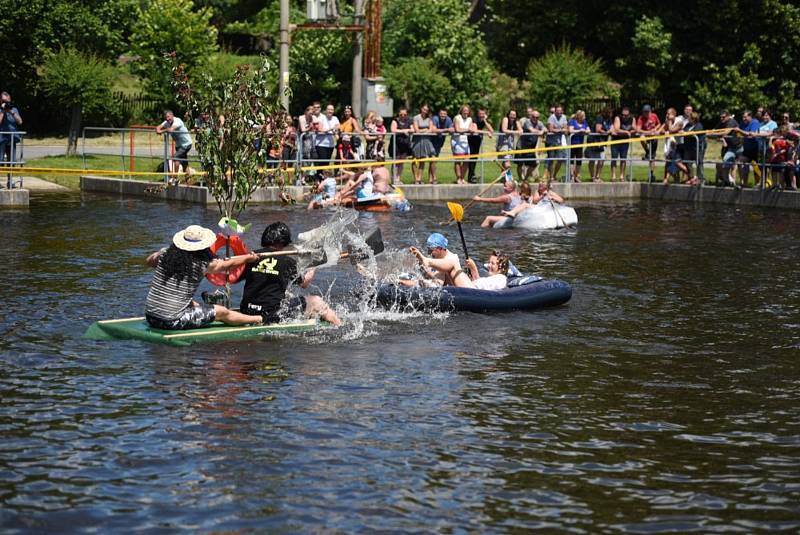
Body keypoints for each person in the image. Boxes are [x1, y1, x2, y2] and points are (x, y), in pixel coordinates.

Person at [145, 225, 263, 330]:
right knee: (222, 311)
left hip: (150, 316)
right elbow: (228, 264)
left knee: (195, 304)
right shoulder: (202, 264)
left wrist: (161, 254)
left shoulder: (166, 255)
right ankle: (259, 319)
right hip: (171, 322)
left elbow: (149, 261)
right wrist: (249, 258)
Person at [240, 222, 341, 326]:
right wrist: (314, 265)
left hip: (246, 311)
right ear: (284, 242)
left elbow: (236, 278)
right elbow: (304, 283)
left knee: (287, 295)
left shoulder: (250, 257)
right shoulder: (287, 261)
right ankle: (340, 325)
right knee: (316, 301)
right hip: (269, 314)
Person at [409, 247, 510, 291]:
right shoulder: (494, 278)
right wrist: (473, 270)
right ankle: (424, 276)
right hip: (472, 289)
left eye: (492, 263)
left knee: (453, 263)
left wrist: (473, 268)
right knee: (445, 272)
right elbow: (482, 286)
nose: (488, 265)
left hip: (472, 292)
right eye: (489, 262)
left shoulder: (501, 278)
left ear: (501, 266)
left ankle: (427, 261)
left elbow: (486, 293)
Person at [155, 109, 193, 174]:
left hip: (186, 144)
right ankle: (188, 179)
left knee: (175, 158)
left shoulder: (178, 121)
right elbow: (158, 127)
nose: (167, 119)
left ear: (172, 116)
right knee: (184, 163)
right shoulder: (166, 122)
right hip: (179, 145)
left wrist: (161, 131)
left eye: (168, 117)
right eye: (166, 117)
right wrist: (158, 129)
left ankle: (175, 178)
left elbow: (171, 130)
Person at [635, 105, 661, 183]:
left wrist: (655, 129)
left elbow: (659, 124)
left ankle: (651, 174)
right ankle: (647, 150)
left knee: (652, 157)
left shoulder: (654, 116)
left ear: (650, 111)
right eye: (644, 112)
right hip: (646, 135)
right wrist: (648, 132)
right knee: (641, 138)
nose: (646, 113)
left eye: (647, 112)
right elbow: (638, 129)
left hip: (653, 136)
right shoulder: (640, 118)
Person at [467, 108, 493, 183]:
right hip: (471, 140)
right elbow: (474, 130)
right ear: (478, 114)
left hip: (478, 141)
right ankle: (471, 176)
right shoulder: (474, 119)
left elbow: (491, 130)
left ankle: (472, 176)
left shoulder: (484, 120)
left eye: (483, 114)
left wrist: (485, 120)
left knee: (475, 158)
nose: (481, 115)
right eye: (480, 114)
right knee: (471, 158)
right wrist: (486, 132)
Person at [411, 104, 436, 184]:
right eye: (424, 109)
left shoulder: (429, 119)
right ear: (421, 109)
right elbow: (416, 130)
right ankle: (415, 178)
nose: (425, 111)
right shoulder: (416, 117)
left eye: (427, 110)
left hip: (426, 140)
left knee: (423, 160)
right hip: (417, 140)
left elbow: (431, 130)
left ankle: (419, 178)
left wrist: (423, 130)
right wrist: (425, 129)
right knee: (415, 159)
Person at [586, 107, 612, 182]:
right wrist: (607, 132)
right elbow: (598, 129)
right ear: (607, 112)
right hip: (594, 141)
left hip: (603, 142)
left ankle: (598, 176)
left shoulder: (609, 120)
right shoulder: (599, 118)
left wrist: (610, 130)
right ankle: (592, 177)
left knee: (602, 159)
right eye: (610, 113)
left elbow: (612, 128)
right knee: (593, 159)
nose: (611, 114)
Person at [519, 107, 545, 180]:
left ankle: (525, 178)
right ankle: (521, 179)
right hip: (523, 146)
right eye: (533, 117)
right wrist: (539, 132)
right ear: (531, 116)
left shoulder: (539, 122)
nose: (535, 118)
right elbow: (532, 130)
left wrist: (542, 131)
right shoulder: (527, 122)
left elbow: (544, 128)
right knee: (520, 164)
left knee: (533, 164)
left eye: (537, 117)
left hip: (532, 147)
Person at [682, 111, 706, 186]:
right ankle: (691, 178)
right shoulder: (688, 125)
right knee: (687, 162)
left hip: (697, 148)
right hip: (688, 147)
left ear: (693, 119)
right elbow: (684, 131)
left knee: (699, 163)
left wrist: (686, 134)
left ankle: (701, 179)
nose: (688, 119)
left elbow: (695, 133)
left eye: (689, 117)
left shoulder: (699, 125)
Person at [390, 107, 413, 183]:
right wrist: (404, 131)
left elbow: (412, 129)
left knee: (401, 162)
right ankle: (393, 178)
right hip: (396, 143)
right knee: (396, 161)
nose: (403, 116)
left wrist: (409, 130)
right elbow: (393, 130)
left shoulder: (409, 121)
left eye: (405, 114)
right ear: (398, 114)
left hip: (405, 143)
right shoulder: (395, 121)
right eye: (401, 114)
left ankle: (398, 178)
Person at [610, 106, 634, 181]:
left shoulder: (632, 119)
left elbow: (635, 128)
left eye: (626, 115)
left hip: (625, 142)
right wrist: (626, 132)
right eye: (623, 114)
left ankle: (622, 176)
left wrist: (631, 132)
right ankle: (613, 176)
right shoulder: (617, 118)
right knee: (614, 158)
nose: (624, 116)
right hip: (615, 141)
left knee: (623, 159)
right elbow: (616, 129)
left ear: (629, 114)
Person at [430, 108, 454, 184]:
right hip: (431, 142)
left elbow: (452, 129)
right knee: (433, 160)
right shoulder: (435, 118)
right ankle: (434, 178)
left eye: (444, 114)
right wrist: (446, 129)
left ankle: (430, 179)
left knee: (434, 161)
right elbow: (433, 130)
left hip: (440, 142)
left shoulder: (449, 119)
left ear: (446, 115)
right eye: (441, 114)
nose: (443, 115)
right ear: (439, 114)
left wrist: (448, 130)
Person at [452, 105, 474, 184]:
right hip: (457, 141)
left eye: (467, 110)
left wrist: (468, 130)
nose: (466, 112)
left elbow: (472, 130)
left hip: (465, 142)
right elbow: (458, 129)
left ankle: (462, 178)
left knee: (467, 160)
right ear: (461, 111)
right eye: (464, 110)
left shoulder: (470, 119)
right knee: (458, 161)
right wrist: (467, 130)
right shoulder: (457, 118)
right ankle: (458, 178)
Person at [546, 105, 569, 180]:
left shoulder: (564, 117)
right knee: (551, 159)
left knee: (560, 159)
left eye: (560, 111)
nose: (559, 112)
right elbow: (551, 129)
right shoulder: (551, 117)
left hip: (559, 141)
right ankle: (551, 176)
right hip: (551, 142)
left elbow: (565, 129)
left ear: (562, 111)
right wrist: (560, 130)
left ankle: (554, 175)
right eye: (557, 111)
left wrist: (558, 130)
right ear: (555, 111)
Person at [568, 110, 591, 182]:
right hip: (572, 144)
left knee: (579, 161)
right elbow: (571, 130)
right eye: (583, 116)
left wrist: (585, 131)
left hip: (580, 144)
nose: (584, 117)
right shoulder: (572, 121)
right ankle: (571, 176)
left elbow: (588, 130)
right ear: (579, 116)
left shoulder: (585, 122)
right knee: (571, 160)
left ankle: (576, 176)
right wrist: (580, 130)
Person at [0, 92, 22, 165]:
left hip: (12, 138)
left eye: (7, 101)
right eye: (4, 101)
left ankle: (10, 176)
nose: (6, 103)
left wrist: (11, 112)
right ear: (0, 101)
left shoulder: (14, 110)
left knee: (12, 161)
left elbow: (20, 122)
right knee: (0, 160)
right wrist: (2, 112)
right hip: (1, 139)